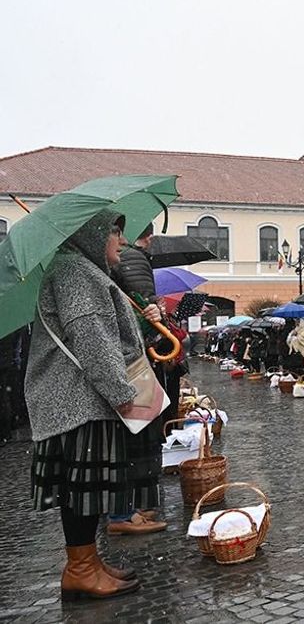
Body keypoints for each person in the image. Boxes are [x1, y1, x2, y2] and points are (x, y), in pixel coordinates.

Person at [28, 210, 164, 600]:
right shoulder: (76, 271)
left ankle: (87, 562)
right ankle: (81, 569)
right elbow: (91, 338)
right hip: (78, 402)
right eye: (115, 232)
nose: (121, 241)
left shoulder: (84, 270)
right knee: (81, 489)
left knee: (88, 490)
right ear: (91, 234)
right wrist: (122, 393)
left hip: (84, 400)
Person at [107, 223, 169, 536]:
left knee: (136, 438)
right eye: (114, 235)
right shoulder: (129, 261)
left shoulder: (120, 263)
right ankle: (127, 511)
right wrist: (151, 320)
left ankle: (131, 508)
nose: (119, 242)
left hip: (130, 365)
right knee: (135, 438)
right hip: (126, 369)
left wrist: (151, 317)